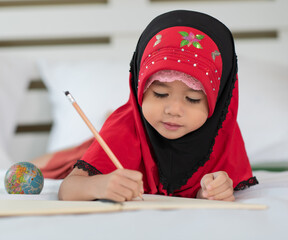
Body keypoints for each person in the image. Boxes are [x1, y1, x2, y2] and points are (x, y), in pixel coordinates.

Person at [55, 10, 258, 202]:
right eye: (160, 94)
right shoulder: (123, 129)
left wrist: (212, 191)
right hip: (112, 138)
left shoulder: (221, 133)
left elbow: (218, 185)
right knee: (58, 161)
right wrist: (98, 185)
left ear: (219, 100)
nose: (173, 110)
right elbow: (69, 188)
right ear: (139, 89)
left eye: (193, 99)